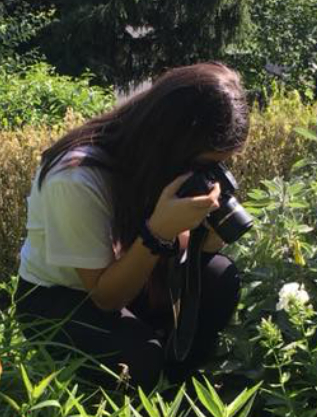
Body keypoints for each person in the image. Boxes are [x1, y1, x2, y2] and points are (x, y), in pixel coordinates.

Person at [14, 62, 248, 391]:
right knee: (138, 359)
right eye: (205, 164)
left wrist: (200, 234)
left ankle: (177, 384)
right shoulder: (75, 178)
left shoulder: (152, 161)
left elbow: (175, 252)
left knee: (219, 275)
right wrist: (159, 233)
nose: (209, 174)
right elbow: (106, 296)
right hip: (62, 297)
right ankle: (130, 402)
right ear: (172, 143)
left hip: (132, 276)